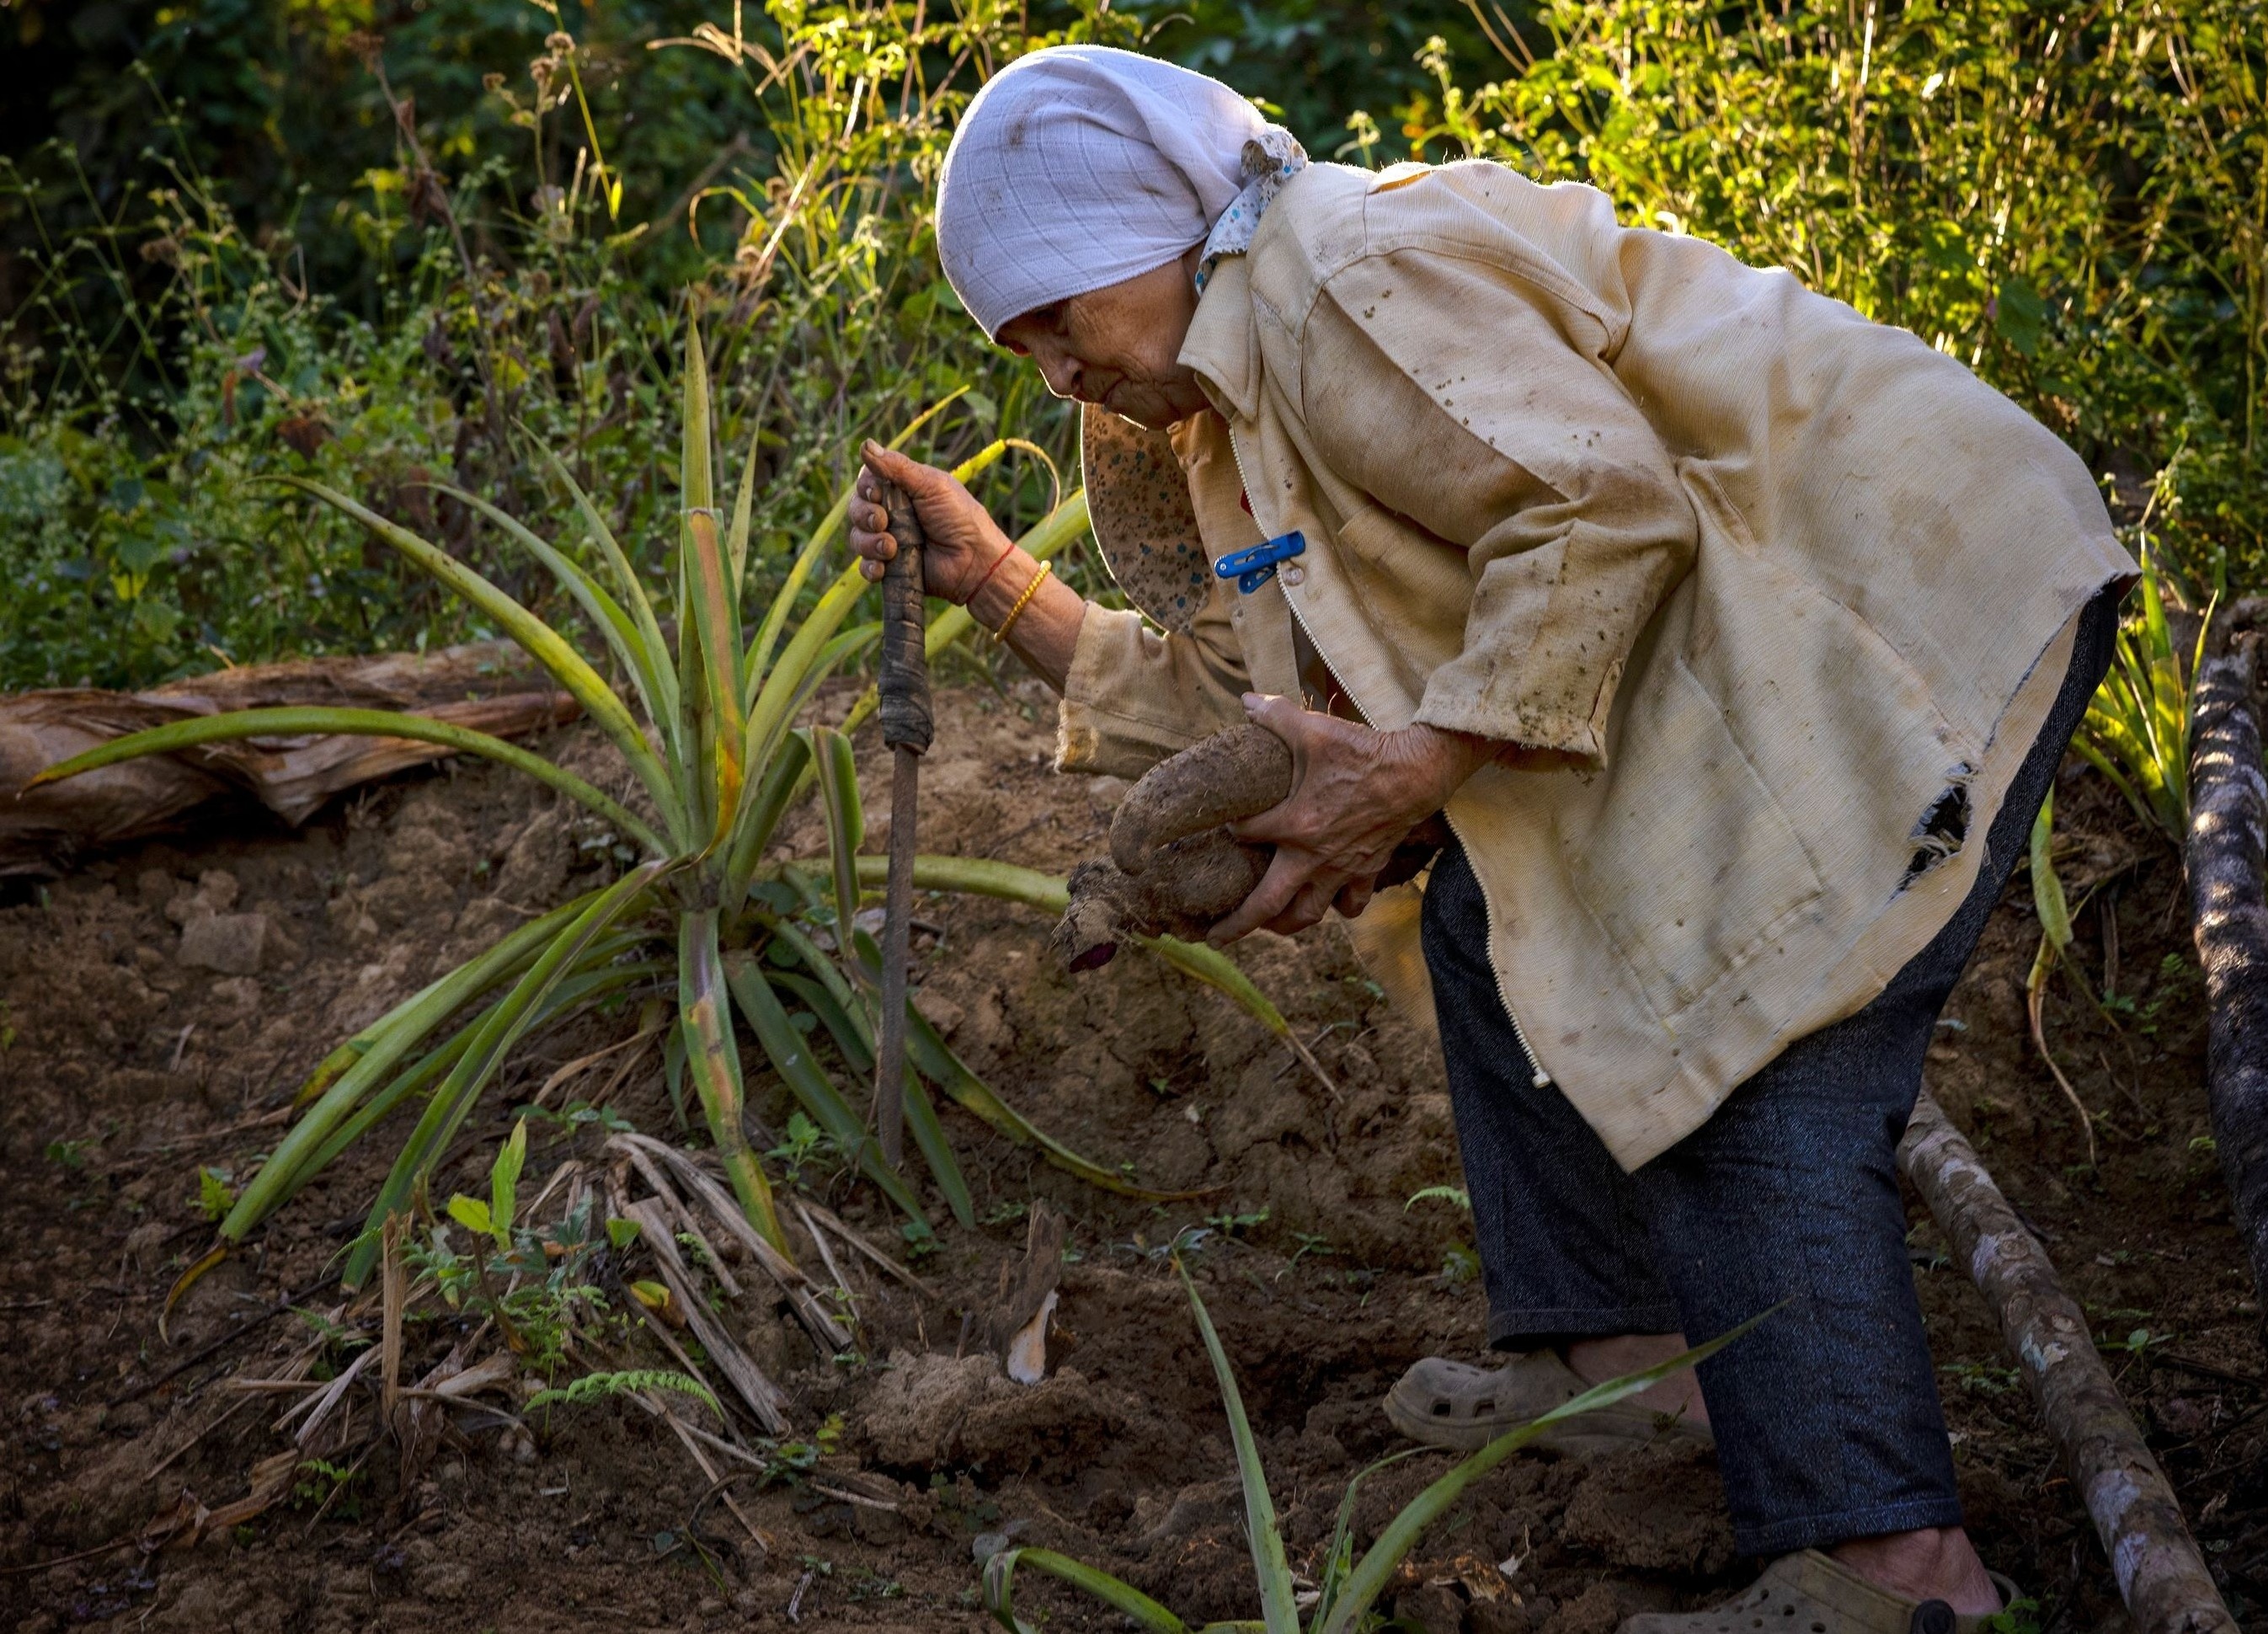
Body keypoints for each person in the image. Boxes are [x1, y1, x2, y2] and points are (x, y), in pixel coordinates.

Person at [850, 44, 2132, 1631]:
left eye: (1061, 313)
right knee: (1486, 929)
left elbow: (1596, 512)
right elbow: (1242, 690)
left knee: (1765, 1048)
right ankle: (1624, 1370)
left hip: (1896, 587)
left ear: (1160, 233)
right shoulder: (1231, 395)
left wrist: (1421, 764)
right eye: (1018, 342)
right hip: (1722, 631)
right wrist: (990, 583)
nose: (1054, 371)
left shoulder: (1348, 280)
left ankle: (1896, 1577)